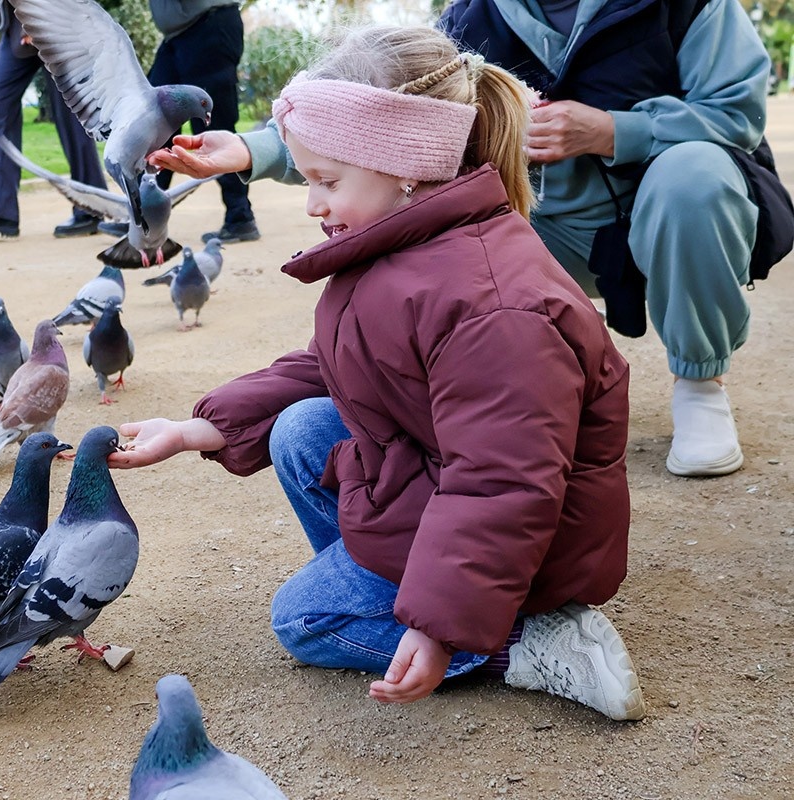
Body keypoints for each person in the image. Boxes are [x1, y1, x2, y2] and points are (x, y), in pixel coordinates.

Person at [113, 25, 646, 721]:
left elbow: (502, 479)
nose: (312, 204)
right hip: (450, 481)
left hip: (533, 541)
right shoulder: (408, 244)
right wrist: (197, 430)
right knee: (301, 427)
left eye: (326, 181)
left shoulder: (493, 306)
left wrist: (435, 625)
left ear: (404, 162)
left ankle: (526, 635)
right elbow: (333, 366)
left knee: (304, 619)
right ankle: (408, 589)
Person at [152, 0, 777, 479]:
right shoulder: (471, 11)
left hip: (660, 215)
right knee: (420, 219)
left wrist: (614, 130)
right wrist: (253, 149)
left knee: (694, 178)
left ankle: (700, 382)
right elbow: (390, 115)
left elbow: (738, 115)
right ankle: (461, 413)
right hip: (533, 224)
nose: (318, 206)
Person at [0, 0, 106, 239]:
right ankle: (0, 209)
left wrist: (35, 22)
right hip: (19, 22)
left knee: (71, 113)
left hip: (57, 19)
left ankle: (91, 208)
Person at [146, 0, 259, 244]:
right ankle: (145, 216)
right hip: (178, 35)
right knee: (155, 120)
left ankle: (240, 217)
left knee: (212, 127)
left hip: (209, 26)